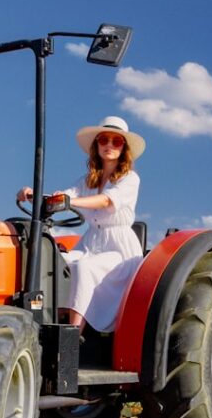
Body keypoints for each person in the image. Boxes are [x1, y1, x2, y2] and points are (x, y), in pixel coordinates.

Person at [17, 116, 145, 333]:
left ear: (124, 148)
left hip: (119, 250)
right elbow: (64, 196)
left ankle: (72, 337)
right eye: (104, 139)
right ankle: (44, 326)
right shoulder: (87, 181)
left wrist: (69, 202)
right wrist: (33, 195)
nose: (109, 145)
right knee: (56, 264)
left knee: (85, 268)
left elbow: (106, 201)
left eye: (117, 141)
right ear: (97, 145)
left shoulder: (130, 178)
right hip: (91, 243)